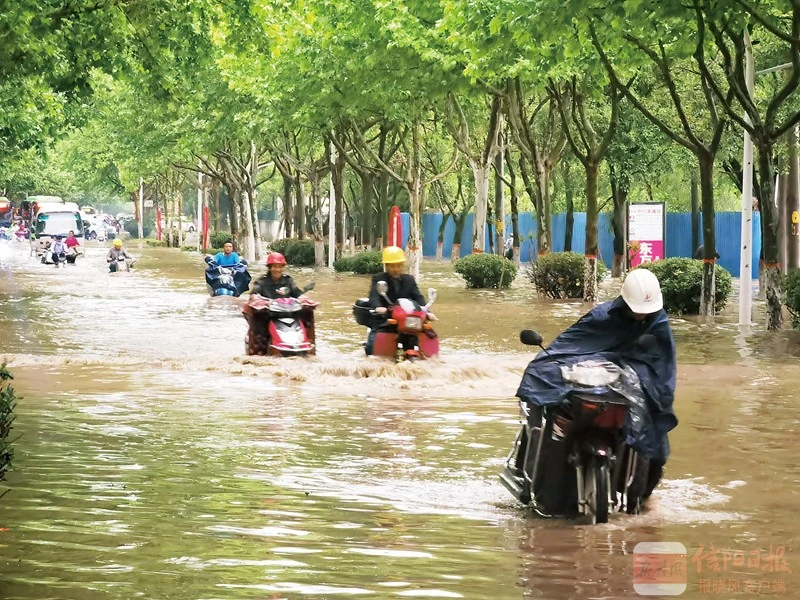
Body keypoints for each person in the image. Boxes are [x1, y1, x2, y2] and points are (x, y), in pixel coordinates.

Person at [516, 268, 677, 508]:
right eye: (636, 310)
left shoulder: (658, 323)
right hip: (593, 383)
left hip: (631, 385)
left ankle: (640, 493)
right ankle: (535, 474)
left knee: (654, 428)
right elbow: (569, 347)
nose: (641, 316)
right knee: (543, 372)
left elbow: (661, 365)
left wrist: (651, 391)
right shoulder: (602, 317)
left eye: (646, 312)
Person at [364, 246, 432, 355]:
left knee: (429, 333)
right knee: (373, 344)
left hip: (407, 319)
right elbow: (374, 296)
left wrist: (427, 311)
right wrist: (378, 307)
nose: (396, 269)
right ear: (386, 266)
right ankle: (372, 357)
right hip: (386, 317)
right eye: (392, 266)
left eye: (399, 265)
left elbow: (418, 297)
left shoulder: (409, 279)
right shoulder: (378, 278)